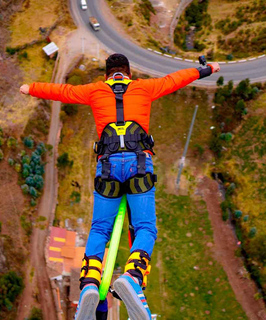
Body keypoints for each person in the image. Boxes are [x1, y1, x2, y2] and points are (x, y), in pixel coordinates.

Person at [20, 54, 220, 320]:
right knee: (145, 227)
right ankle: (133, 277)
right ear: (127, 72)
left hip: (108, 168)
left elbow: (62, 92)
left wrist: (30, 88)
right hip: (139, 166)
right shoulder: (144, 87)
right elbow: (177, 79)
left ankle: (90, 283)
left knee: (100, 228)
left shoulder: (95, 90)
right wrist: (207, 69)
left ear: (107, 75)